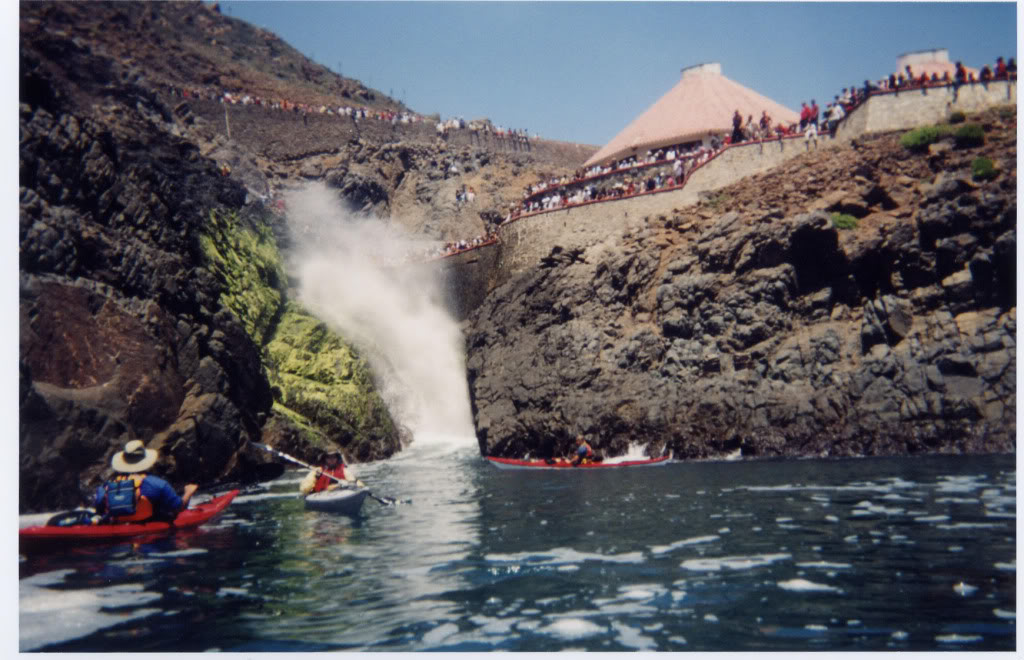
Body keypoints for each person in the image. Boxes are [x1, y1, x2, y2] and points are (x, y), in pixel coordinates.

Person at [93, 440, 199, 523]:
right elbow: (178, 508)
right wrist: (188, 492)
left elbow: (99, 506)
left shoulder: (109, 484)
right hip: (150, 530)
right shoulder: (158, 484)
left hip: (119, 527)